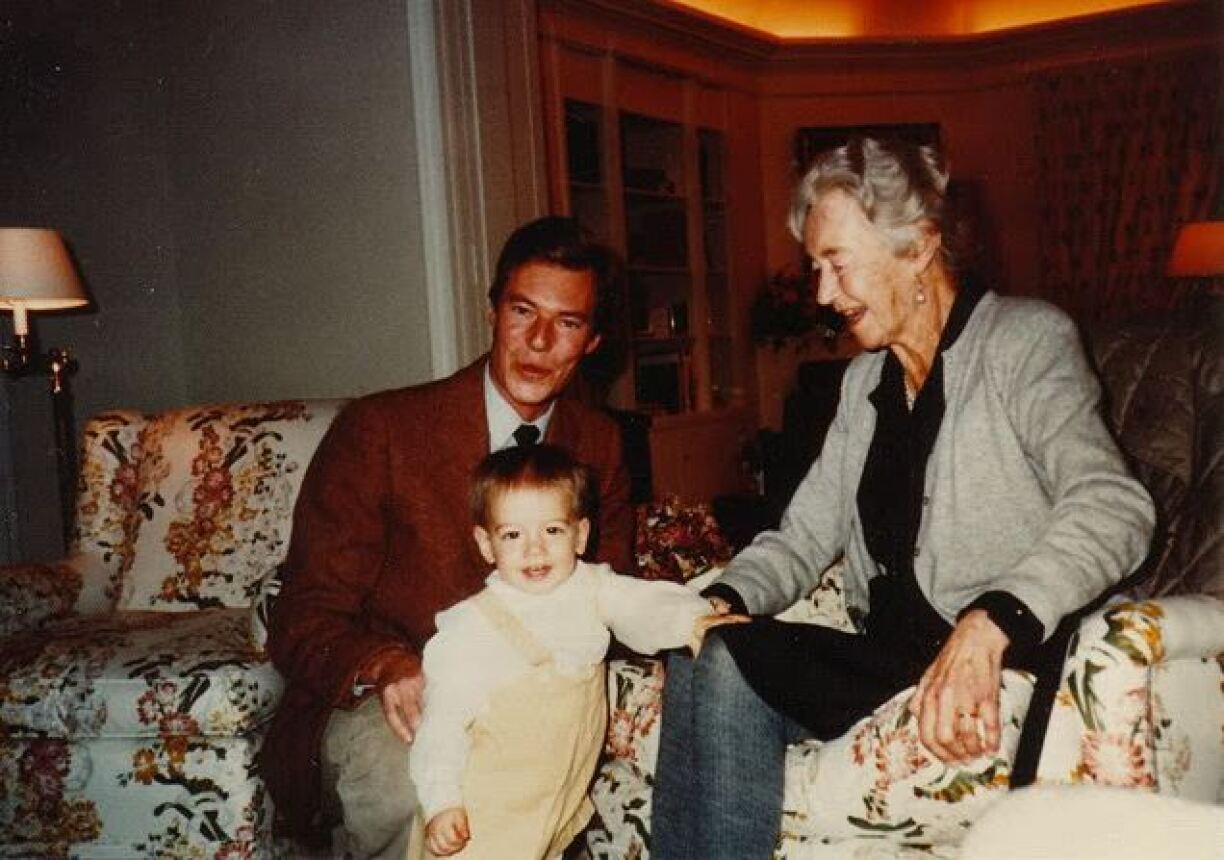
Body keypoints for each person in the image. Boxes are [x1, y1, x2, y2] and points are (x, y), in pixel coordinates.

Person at [650, 137, 1156, 859]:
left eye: (837, 265)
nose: (823, 295)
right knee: (703, 648)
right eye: (815, 267)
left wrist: (992, 621)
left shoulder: (1024, 341)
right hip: (884, 662)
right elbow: (800, 537)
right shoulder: (865, 385)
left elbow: (1115, 506)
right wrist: (714, 599)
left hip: (996, 659)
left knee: (727, 662)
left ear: (919, 249)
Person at [264, 216, 637, 858]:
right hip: (390, 702)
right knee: (414, 790)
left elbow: (612, 591)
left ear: (593, 341)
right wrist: (386, 666)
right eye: (523, 310)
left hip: (529, 705)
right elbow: (302, 614)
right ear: (492, 311)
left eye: (568, 323)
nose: (539, 340)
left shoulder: (599, 443)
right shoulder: (381, 429)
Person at [408, 444, 742, 860]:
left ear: (580, 534)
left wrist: (692, 621)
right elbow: (440, 728)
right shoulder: (472, 629)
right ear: (486, 543)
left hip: (549, 811)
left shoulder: (591, 587)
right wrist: (441, 802)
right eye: (512, 534)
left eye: (552, 530)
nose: (534, 549)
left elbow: (640, 603)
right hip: (481, 822)